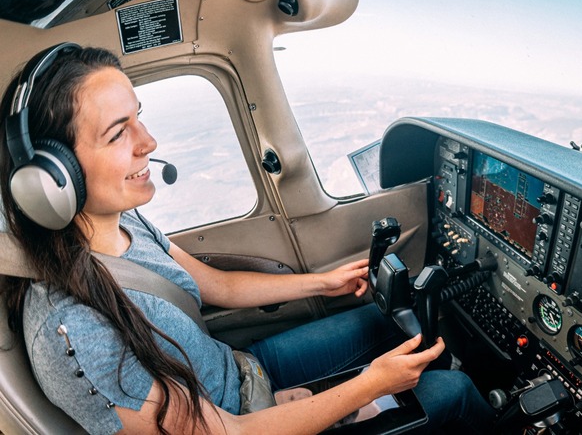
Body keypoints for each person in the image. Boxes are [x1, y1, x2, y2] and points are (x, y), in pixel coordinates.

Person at [0, 44, 496, 434]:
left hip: (242, 372)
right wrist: (370, 386)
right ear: (53, 178)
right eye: (117, 133)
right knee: (451, 389)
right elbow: (228, 433)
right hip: (239, 419)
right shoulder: (72, 335)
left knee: (379, 319)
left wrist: (320, 283)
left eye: (139, 115)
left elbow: (219, 287)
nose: (148, 141)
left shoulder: (122, 227)